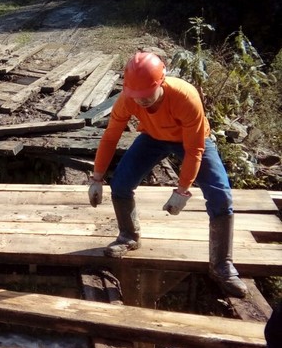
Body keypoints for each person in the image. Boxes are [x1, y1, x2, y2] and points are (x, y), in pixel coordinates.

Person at [88, 52, 248, 298]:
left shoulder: (185, 97)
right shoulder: (128, 99)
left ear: (161, 82)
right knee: (120, 184)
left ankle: (222, 266)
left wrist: (182, 190)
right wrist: (97, 178)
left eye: (146, 95)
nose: (141, 101)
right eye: (136, 95)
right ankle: (128, 236)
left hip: (192, 140)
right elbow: (110, 136)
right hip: (152, 138)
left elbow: (195, 149)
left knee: (221, 196)